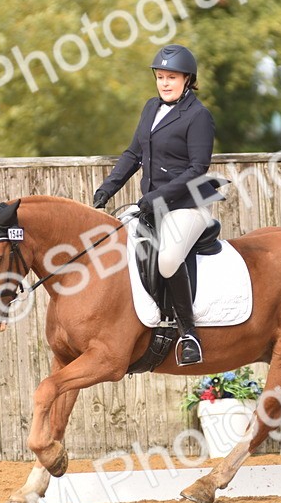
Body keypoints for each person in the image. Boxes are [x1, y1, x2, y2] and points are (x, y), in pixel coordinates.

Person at [92, 44, 222, 366]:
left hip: (186, 206)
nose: (165, 83)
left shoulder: (198, 116)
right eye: (160, 77)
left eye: (171, 77)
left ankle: (189, 334)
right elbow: (133, 154)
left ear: (187, 79)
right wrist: (107, 188)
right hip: (151, 206)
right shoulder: (151, 108)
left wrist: (158, 197)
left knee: (167, 259)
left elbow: (197, 169)